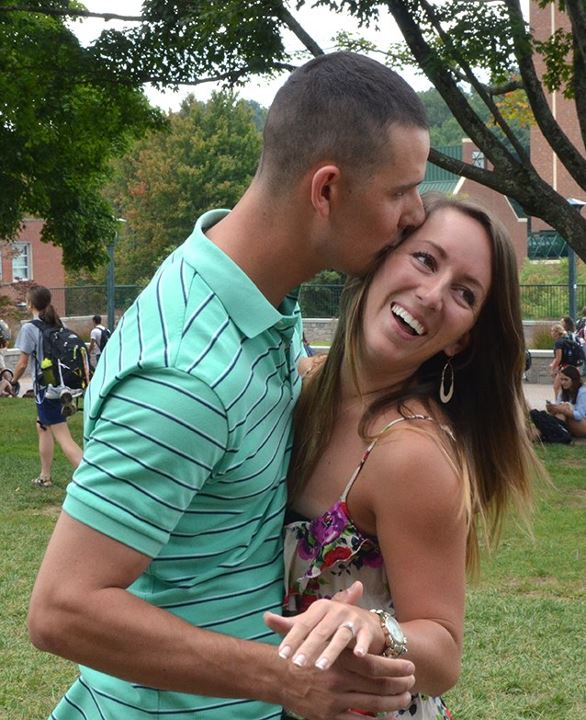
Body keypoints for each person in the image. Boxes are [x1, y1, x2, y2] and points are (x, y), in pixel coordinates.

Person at [28, 51, 431, 719]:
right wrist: (281, 676)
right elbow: (63, 609)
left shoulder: (255, 294)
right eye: (401, 191)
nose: (415, 213)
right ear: (326, 190)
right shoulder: (185, 374)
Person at [264, 195, 543, 719]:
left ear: (463, 341)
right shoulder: (302, 385)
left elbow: (443, 655)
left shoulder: (409, 454)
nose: (433, 294)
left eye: (464, 293)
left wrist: (373, 627)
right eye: (425, 259)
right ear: (381, 257)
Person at [11, 286, 83, 487]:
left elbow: (22, 363)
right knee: (42, 426)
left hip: (47, 390)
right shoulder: (57, 323)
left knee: (63, 436)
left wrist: (13, 381)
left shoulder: (29, 328)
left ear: (31, 304)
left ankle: (92, 480)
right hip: (59, 387)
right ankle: (45, 476)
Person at [546, 365, 586, 437]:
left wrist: (564, 410)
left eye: (566, 379)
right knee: (559, 413)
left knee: (563, 409)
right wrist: (552, 408)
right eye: (561, 379)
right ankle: (553, 433)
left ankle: (554, 433)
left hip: (582, 423)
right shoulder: (563, 392)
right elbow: (558, 407)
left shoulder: (582, 392)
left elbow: (580, 415)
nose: (563, 382)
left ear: (574, 380)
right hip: (568, 421)